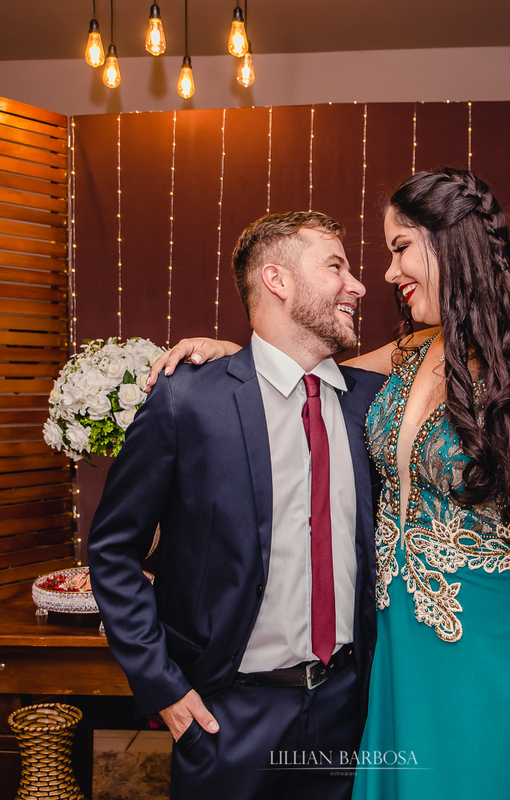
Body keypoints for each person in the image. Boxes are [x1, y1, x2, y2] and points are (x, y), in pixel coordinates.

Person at [151, 168, 510, 800]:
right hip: (400, 662)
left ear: (451, 242)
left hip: (501, 661)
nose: (390, 274)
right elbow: (301, 367)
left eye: (401, 249)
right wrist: (231, 355)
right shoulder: (410, 356)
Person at [88, 210, 387, 800]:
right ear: (277, 279)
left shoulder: (373, 405)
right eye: (336, 267)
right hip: (228, 718)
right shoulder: (188, 400)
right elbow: (113, 551)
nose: (357, 285)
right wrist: (163, 687)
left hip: (348, 713)